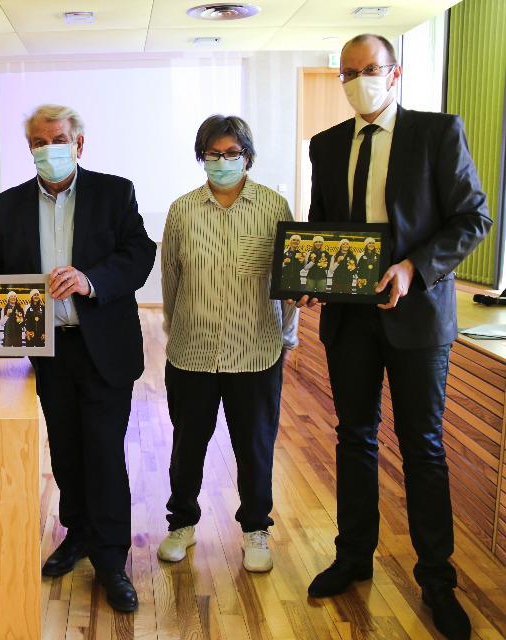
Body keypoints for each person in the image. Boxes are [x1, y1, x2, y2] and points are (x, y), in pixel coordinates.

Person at [301, 34, 491, 640]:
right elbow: (323, 222)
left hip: (418, 317)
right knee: (354, 438)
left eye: (370, 70)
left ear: (396, 71)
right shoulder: (327, 145)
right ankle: (354, 555)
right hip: (350, 319)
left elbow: (474, 218)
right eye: (348, 73)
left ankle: (437, 579)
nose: (360, 81)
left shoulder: (438, 133)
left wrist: (415, 267)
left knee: (423, 447)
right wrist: (311, 275)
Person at [0, 104, 156, 612]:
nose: (48, 149)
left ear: (79, 144)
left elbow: (139, 254)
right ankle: (79, 534)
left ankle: (111, 559)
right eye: (38, 142)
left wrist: (91, 280)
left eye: (57, 139)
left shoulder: (115, 192)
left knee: (104, 451)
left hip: (103, 346)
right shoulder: (7, 206)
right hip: (50, 351)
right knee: (65, 451)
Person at [159, 115, 298, 574]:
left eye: (231, 153)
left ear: (247, 156)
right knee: (188, 446)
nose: (221, 161)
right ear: (202, 157)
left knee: (255, 447)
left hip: (256, 352)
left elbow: (289, 281)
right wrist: (175, 331)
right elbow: (171, 279)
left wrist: (286, 336)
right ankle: (182, 523)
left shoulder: (274, 207)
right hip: (192, 353)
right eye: (212, 154)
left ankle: (256, 528)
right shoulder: (182, 211)